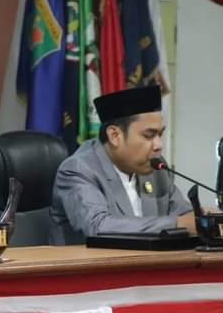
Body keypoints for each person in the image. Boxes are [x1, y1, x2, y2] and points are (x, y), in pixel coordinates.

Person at [49, 85, 195, 245]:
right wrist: (176, 224)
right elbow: (98, 226)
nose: (159, 145)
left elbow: (184, 215)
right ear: (114, 135)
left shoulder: (156, 167)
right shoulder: (78, 169)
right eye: (149, 135)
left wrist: (204, 220)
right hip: (90, 261)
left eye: (160, 134)